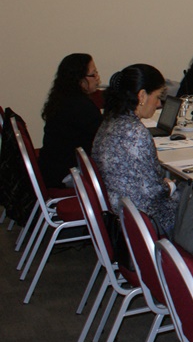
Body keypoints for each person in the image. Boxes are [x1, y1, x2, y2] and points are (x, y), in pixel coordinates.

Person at [92, 64, 179, 233]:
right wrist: (169, 187)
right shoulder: (136, 133)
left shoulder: (111, 120)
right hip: (143, 218)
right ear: (142, 96)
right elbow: (153, 192)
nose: (159, 104)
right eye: (157, 97)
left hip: (119, 210)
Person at [39, 54, 103, 189]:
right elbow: (103, 141)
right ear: (79, 80)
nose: (98, 77)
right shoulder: (81, 107)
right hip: (65, 176)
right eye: (93, 74)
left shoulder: (62, 99)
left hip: (52, 169)